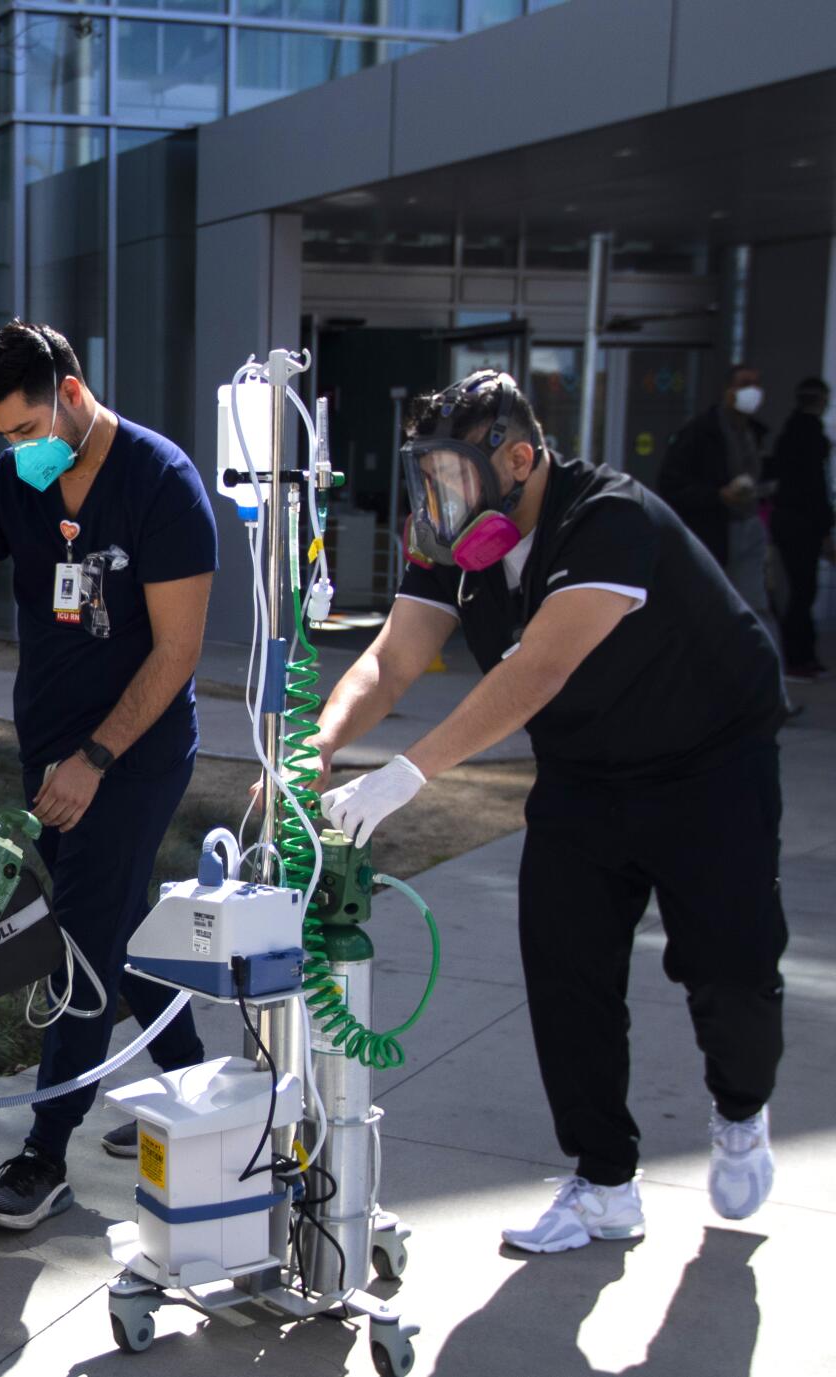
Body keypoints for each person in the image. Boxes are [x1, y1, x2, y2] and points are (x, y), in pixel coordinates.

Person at [314, 370, 786, 1254]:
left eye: (452, 475)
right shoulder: (451, 541)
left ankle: (740, 1106)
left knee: (731, 968)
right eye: (428, 476)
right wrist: (324, 743)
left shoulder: (609, 519)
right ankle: (605, 1183)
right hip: (586, 772)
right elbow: (393, 658)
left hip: (709, 762)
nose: (437, 499)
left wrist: (405, 775)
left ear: (520, 459)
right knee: (566, 974)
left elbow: (537, 670)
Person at [0, 320, 215, 1230]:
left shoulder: (161, 482)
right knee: (124, 918)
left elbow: (178, 651)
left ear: (71, 388)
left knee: (86, 936)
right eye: (3, 438)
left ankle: (45, 1152)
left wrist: (97, 758)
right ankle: (205, 1090)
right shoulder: (8, 489)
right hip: (52, 745)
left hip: (130, 754)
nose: (20, 451)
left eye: (27, 429)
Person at [659, 363, 796, 710]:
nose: (752, 390)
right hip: (712, 533)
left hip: (748, 528)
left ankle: (771, 693)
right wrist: (718, 496)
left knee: (757, 611)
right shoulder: (700, 433)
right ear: (727, 390)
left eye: (756, 383)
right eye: (744, 384)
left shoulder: (756, 432)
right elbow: (672, 485)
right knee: (704, 614)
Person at [764, 376, 836, 679]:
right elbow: (814, 491)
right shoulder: (810, 438)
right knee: (802, 590)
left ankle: (801, 654)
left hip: (788, 521)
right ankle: (798, 655)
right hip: (801, 524)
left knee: (798, 590)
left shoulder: (790, 434)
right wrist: (825, 531)